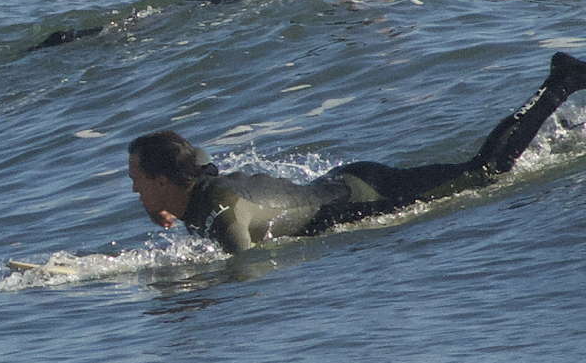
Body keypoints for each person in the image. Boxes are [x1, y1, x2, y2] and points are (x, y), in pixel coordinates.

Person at [125, 51, 586, 252]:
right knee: (474, 170)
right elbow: (194, 157)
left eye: (137, 180)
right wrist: (159, 207)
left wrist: (197, 295)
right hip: (347, 182)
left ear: (164, 180)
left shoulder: (220, 210)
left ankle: (560, 84)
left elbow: (245, 274)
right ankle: (565, 115)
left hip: (363, 200)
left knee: (486, 173)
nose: (133, 189)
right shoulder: (198, 180)